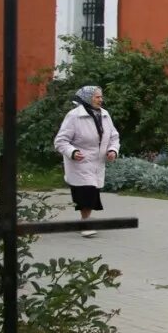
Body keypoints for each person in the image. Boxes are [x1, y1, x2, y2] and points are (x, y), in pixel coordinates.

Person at [54, 85, 120, 235]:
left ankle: (85, 220)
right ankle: (86, 223)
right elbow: (61, 141)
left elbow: (114, 137)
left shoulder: (104, 115)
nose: (100, 100)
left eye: (101, 97)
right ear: (87, 98)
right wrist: (73, 151)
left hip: (97, 162)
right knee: (87, 192)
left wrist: (112, 150)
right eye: (97, 97)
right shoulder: (74, 116)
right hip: (80, 163)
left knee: (92, 191)